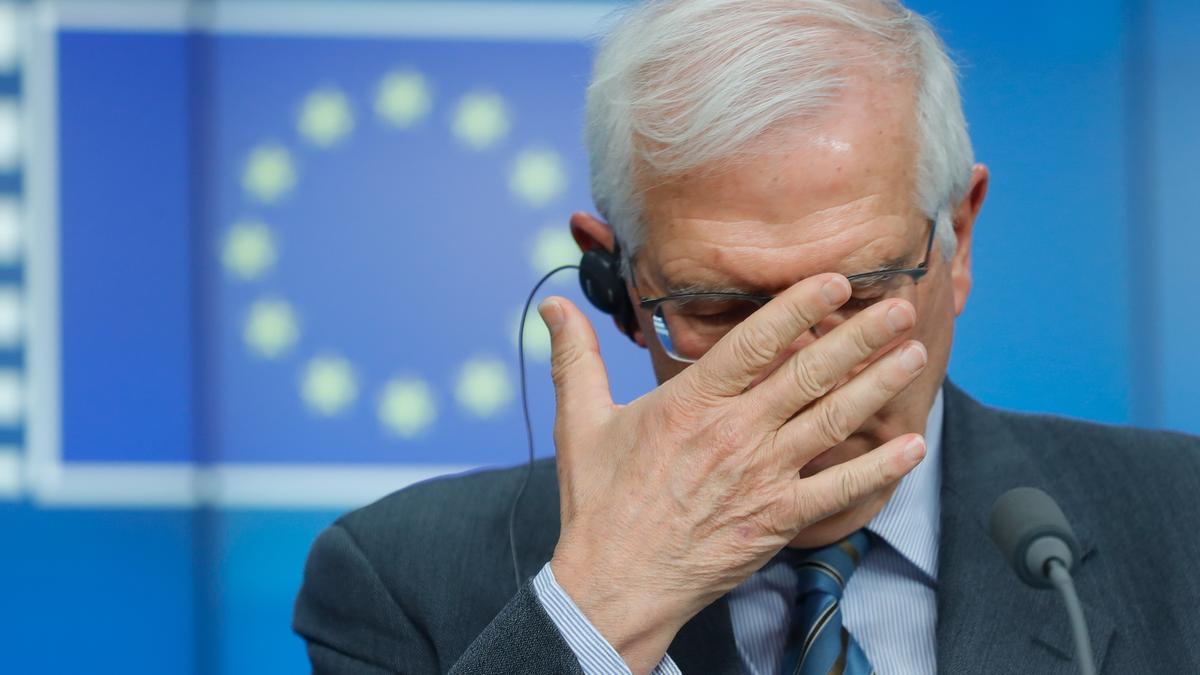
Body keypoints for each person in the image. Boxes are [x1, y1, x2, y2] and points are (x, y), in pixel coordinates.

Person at [293, 1, 1200, 672]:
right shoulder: (396, 576)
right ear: (617, 283)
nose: (806, 370)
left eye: (865, 291)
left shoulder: (1182, 524)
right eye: (723, 308)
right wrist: (600, 610)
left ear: (958, 242)